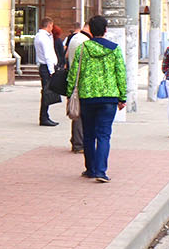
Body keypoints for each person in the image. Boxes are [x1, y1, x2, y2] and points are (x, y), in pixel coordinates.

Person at [67, 14, 127, 183]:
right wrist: (122, 97)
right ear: (105, 30)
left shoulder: (82, 49)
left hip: (87, 98)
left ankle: (90, 169)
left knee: (88, 134)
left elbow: (73, 74)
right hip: (109, 98)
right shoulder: (115, 49)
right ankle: (101, 171)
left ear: (91, 31)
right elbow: (121, 74)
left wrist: (70, 93)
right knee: (104, 135)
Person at [64, 20, 91, 154]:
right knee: (80, 114)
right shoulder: (84, 41)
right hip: (80, 82)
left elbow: (67, 56)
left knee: (77, 113)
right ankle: (79, 143)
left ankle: (76, 141)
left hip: (74, 80)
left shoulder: (75, 38)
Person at [33, 16, 59, 127]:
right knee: (47, 92)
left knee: (46, 92)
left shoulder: (41, 36)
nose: (52, 28)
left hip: (44, 67)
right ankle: (44, 117)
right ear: (49, 25)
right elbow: (48, 55)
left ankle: (45, 116)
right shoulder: (43, 37)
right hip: (46, 67)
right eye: (51, 26)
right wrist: (52, 70)